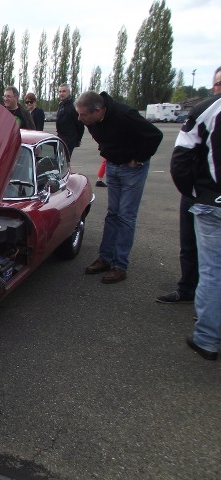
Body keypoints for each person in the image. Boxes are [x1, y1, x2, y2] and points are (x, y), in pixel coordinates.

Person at [76, 90, 163, 284]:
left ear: (98, 110)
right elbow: (102, 138)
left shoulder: (124, 115)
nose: (80, 118)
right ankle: (105, 258)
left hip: (132, 170)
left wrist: (138, 159)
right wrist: (106, 151)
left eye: (83, 114)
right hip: (113, 166)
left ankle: (120, 265)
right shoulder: (92, 121)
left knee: (126, 216)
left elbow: (155, 135)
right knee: (113, 213)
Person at [170, 66, 221, 361]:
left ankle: (207, 340)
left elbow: (181, 156)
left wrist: (192, 193)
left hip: (211, 200)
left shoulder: (208, 109)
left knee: (212, 271)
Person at [56, 83, 84, 158]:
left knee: (64, 163)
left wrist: (78, 139)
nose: (61, 93)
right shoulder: (62, 105)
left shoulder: (73, 106)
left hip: (69, 140)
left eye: (64, 91)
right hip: (61, 139)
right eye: (60, 91)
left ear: (69, 92)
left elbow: (80, 124)